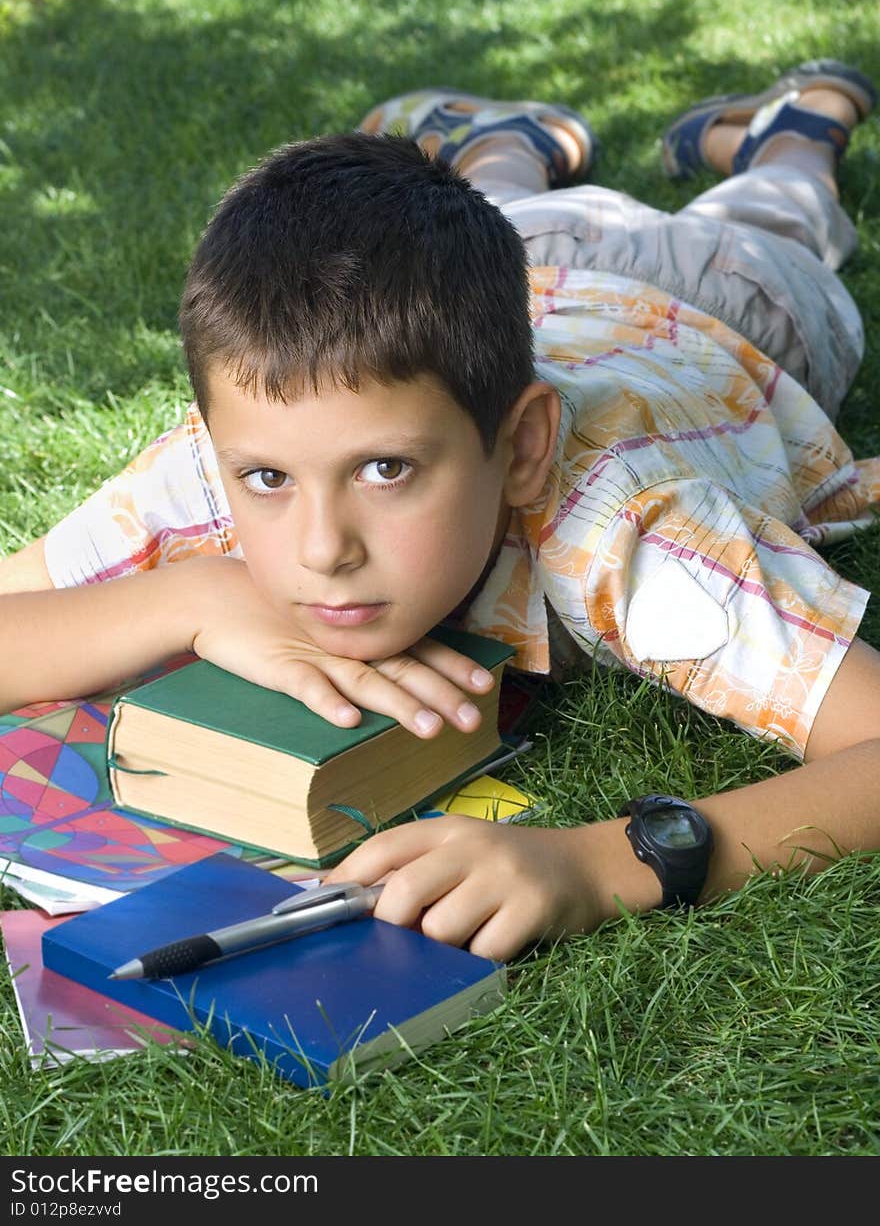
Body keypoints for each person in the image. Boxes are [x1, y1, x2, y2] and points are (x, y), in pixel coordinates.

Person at [2, 61, 879, 962]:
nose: (321, 549)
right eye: (266, 481)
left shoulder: (628, 530)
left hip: (723, 301)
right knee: (493, 216)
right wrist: (185, 597)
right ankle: (513, 140)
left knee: (775, 210)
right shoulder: (234, 450)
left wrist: (598, 863)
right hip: (530, 271)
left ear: (525, 451)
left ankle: (808, 118)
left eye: (385, 469)